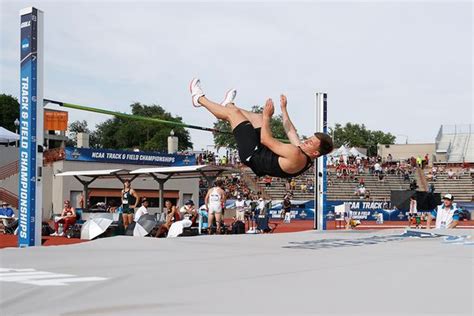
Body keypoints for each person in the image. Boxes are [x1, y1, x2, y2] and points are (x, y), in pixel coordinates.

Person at [190, 78, 333, 178]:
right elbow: (290, 131)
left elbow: (265, 139)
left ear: (315, 152)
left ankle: (199, 98)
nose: (306, 140)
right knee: (257, 118)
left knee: (234, 115)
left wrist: (267, 116)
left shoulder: (296, 154)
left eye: (310, 142)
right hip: (261, 151)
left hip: (253, 154)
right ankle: (228, 104)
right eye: (309, 138)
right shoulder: (303, 154)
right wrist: (284, 109)